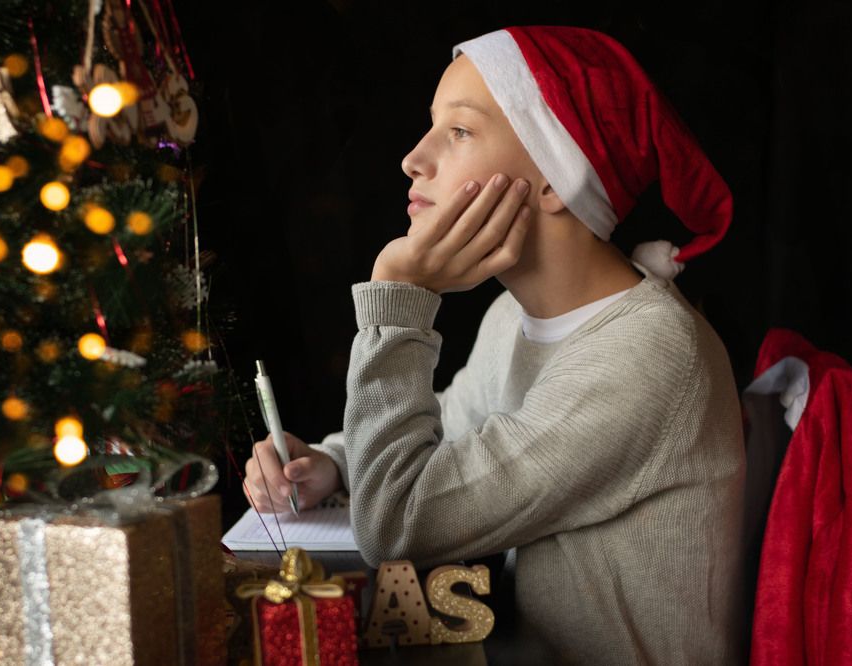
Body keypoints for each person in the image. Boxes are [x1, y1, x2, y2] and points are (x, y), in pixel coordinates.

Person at [244, 25, 745, 663]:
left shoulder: (647, 356)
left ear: (555, 180)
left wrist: (398, 295)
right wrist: (333, 462)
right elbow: (452, 429)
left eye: (459, 132)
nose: (414, 159)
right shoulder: (515, 317)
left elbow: (396, 527)